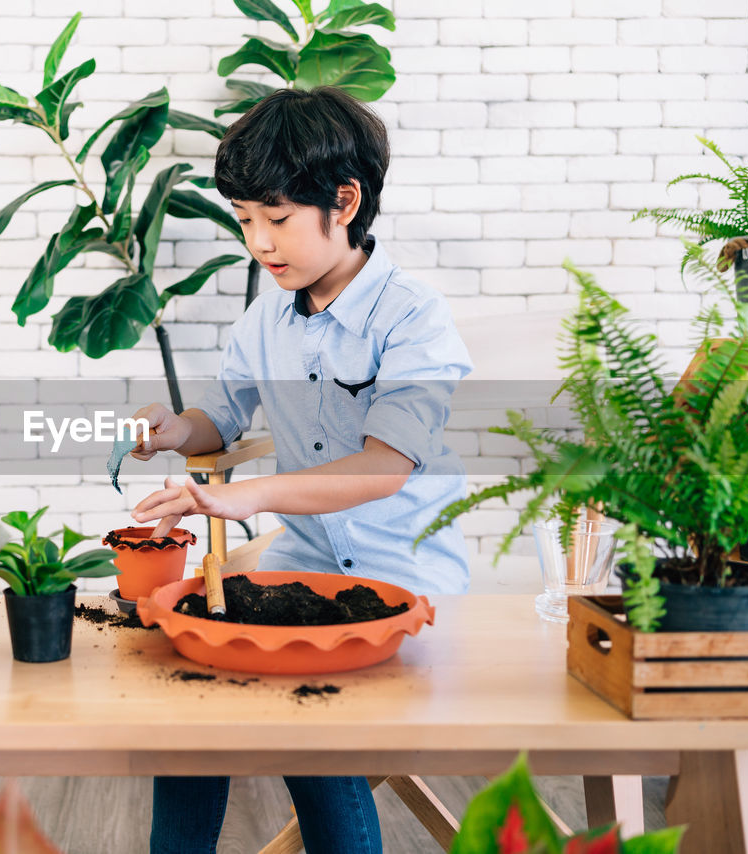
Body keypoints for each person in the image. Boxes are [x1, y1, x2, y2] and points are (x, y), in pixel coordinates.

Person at [126, 86, 474, 854]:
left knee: (312, 714)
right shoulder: (263, 321)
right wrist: (171, 429)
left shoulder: (413, 316)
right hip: (304, 566)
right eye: (245, 221)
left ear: (343, 201)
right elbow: (220, 418)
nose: (259, 242)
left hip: (406, 577)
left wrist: (243, 496)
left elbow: (382, 468)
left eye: (276, 219)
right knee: (194, 708)